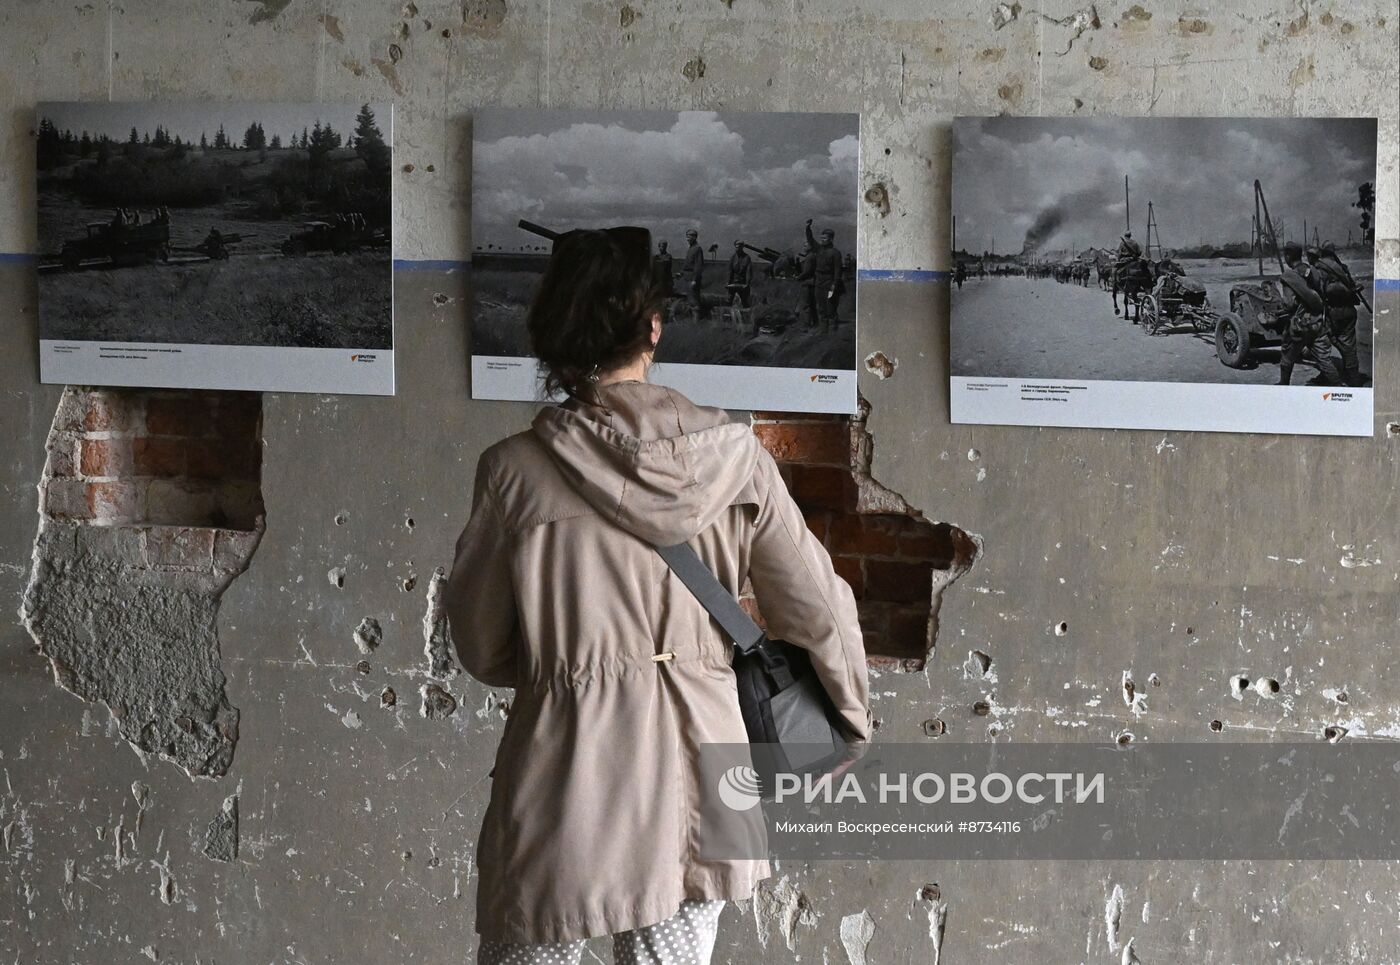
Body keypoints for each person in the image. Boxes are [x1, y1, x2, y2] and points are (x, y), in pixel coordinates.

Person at [444, 226, 871, 965]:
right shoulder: (739, 459)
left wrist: (572, 662)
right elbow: (817, 606)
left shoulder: (512, 473)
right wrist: (848, 718)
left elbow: (481, 645)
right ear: (653, 326)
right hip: (706, 773)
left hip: (566, 769)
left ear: (553, 336)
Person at [1277, 243, 1342, 387]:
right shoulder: (1313, 270)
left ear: (1288, 256)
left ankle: (1283, 384)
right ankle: (1338, 386)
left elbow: (1289, 304)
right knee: (1324, 360)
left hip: (1300, 326)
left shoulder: (1289, 276)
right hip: (1319, 322)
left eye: (1285, 255)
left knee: (1287, 356)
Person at [1307, 244, 1366, 386]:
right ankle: (1351, 379)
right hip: (1349, 311)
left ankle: (1333, 376)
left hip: (1333, 312)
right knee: (1348, 345)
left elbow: (1315, 293)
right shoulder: (1342, 267)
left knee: (1320, 343)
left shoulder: (1319, 268)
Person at [805, 220, 844, 334]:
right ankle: (823, 329)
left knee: (831, 306)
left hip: (830, 282)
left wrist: (834, 285)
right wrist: (808, 228)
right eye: (821, 238)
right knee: (820, 306)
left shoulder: (835, 253)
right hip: (819, 282)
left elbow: (838, 270)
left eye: (825, 238)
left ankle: (833, 330)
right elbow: (810, 240)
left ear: (831, 239)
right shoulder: (819, 249)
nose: (822, 240)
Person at [681, 228, 708, 319]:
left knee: (694, 302)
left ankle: (696, 323)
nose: (687, 239)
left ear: (694, 237)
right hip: (687, 277)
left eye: (689, 237)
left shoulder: (697, 249)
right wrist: (681, 273)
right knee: (689, 300)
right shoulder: (691, 248)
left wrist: (694, 280)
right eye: (687, 237)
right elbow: (688, 264)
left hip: (692, 279)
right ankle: (691, 320)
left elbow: (698, 266)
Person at [726, 240, 753, 309]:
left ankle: (747, 317)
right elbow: (730, 271)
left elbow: (748, 271)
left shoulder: (747, 258)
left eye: (739, 247)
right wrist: (728, 282)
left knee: (745, 302)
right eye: (736, 247)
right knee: (728, 301)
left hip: (743, 283)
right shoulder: (732, 257)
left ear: (742, 248)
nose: (738, 248)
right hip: (733, 282)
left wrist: (747, 283)